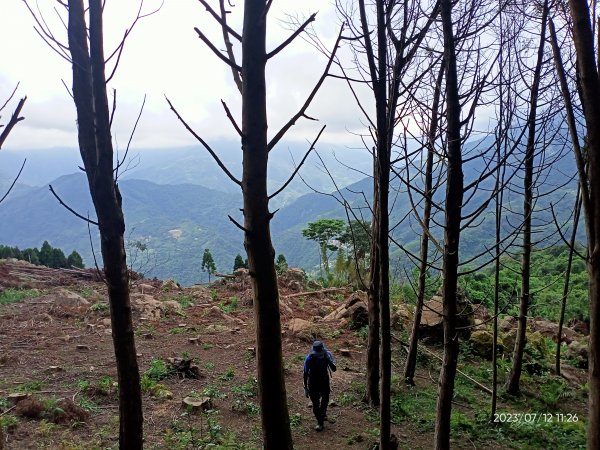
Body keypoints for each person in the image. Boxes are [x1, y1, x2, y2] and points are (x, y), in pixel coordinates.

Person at [303, 340, 336, 431]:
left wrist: (328, 359)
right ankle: (320, 422)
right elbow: (305, 373)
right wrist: (305, 387)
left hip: (324, 381)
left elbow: (334, 369)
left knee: (325, 398)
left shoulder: (327, 354)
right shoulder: (309, 358)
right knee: (315, 403)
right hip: (313, 382)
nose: (319, 355)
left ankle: (323, 413)